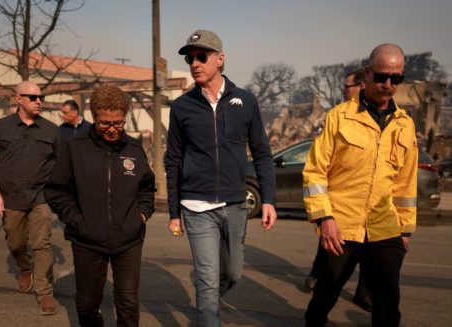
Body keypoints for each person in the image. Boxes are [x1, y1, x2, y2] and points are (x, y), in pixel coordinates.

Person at [165, 30, 277, 326]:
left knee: (232, 274)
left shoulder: (246, 101)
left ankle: (208, 304)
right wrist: (174, 211)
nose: (194, 63)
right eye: (190, 58)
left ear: (220, 59)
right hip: (196, 207)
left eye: (202, 56)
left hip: (235, 205)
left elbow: (262, 153)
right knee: (207, 280)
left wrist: (269, 200)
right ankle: (208, 312)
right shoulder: (181, 107)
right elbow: (172, 160)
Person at [303, 44, 417, 327]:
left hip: (385, 228)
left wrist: (405, 230)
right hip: (342, 227)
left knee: (387, 306)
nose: (388, 85)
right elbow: (315, 171)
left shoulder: (405, 125)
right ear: (367, 73)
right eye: (381, 77)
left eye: (396, 78)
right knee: (324, 298)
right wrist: (324, 218)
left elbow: (406, 183)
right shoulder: (338, 117)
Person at [44, 85, 155, 326]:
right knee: (86, 305)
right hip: (87, 240)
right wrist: (76, 219)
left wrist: (141, 216)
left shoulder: (134, 149)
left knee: (128, 303)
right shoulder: (75, 148)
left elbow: (147, 188)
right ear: (95, 117)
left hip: (128, 239)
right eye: (106, 123)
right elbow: (55, 190)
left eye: (118, 122)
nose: (113, 129)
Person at [0, 81, 61, 315]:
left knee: (42, 244)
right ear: (19, 99)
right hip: (11, 196)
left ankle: (45, 293)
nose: (39, 101)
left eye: (41, 97)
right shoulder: (1, 127)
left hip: (40, 196)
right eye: (32, 97)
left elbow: (61, 164)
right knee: (16, 243)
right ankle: (24, 267)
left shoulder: (51, 129)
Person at [304, 69, 372, 312]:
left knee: (371, 260)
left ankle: (364, 293)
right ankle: (316, 275)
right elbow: (317, 165)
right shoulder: (337, 117)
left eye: (348, 87)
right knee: (329, 257)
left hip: (373, 212)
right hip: (337, 205)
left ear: (362, 86)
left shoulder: (391, 120)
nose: (345, 91)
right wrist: (324, 213)